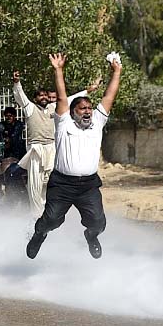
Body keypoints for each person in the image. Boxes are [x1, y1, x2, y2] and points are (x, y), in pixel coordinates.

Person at [26, 52, 122, 260]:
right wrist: (58, 70)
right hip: (62, 185)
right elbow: (61, 97)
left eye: (89, 108)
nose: (87, 111)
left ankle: (91, 235)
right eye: (82, 108)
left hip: (88, 185)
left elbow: (109, 97)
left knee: (98, 222)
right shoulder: (64, 122)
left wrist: (117, 72)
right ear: (72, 112)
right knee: (52, 220)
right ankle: (39, 233)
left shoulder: (97, 122)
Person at [11, 72, 97, 216]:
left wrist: (89, 90)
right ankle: (35, 217)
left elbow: (71, 99)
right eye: (40, 95)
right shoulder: (30, 108)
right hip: (36, 151)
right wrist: (16, 82)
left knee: (50, 183)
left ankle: (48, 215)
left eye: (45, 95)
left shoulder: (54, 108)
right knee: (34, 186)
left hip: (52, 149)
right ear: (35, 98)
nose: (43, 97)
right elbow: (20, 96)